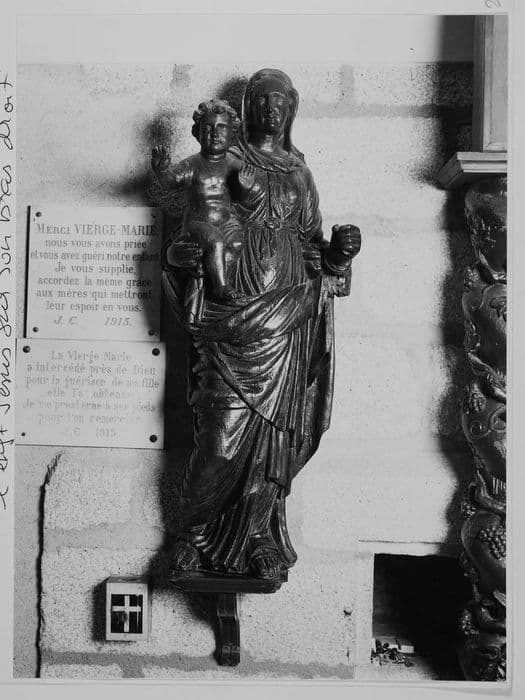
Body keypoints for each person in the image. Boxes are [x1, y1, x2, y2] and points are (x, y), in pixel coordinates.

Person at [162, 69, 361, 580]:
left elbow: (315, 246)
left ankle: (257, 538)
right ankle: (192, 533)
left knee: (273, 440)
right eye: (263, 100)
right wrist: (180, 256)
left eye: (281, 102)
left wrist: (340, 254)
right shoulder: (224, 158)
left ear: (292, 109)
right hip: (229, 319)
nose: (272, 109)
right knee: (217, 441)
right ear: (249, 107)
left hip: (288, 316)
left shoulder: (299, 172)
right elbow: (190, 227)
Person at [152, 98, 256, 306]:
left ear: (232, 134)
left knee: (236, 243)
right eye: (208, 127)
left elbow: (242, 197)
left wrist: (245, 186)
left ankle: (213, 274)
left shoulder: (234, 165)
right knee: (215, 241)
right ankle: (220, 287)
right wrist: (162, 170)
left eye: (222, 127)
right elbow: (171, 181)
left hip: (226, 222)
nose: (215, 133)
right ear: (197, 133)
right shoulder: (193, 164)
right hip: (198, 225)